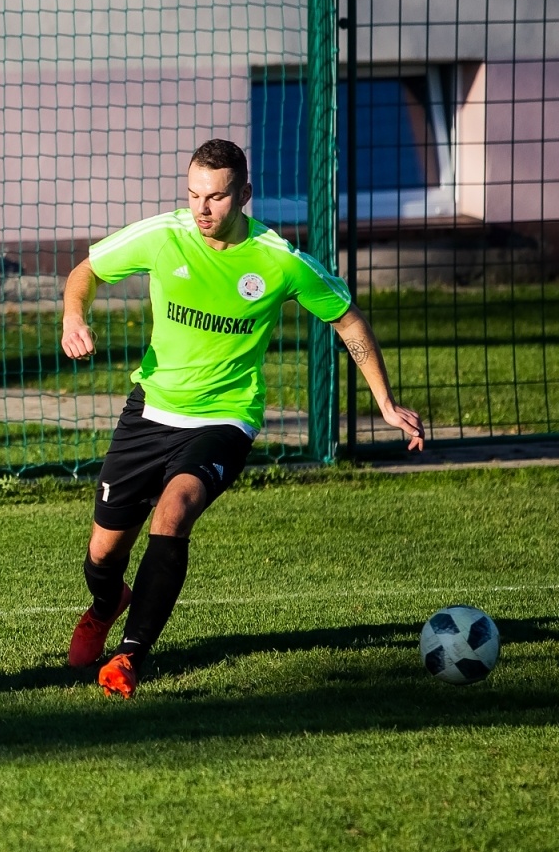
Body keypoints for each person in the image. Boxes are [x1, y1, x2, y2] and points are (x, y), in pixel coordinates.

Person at [60, 138, 425, 698]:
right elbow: (87, 270)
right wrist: (73, 316)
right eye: (194, 194)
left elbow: (348, 321)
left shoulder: (278, 260)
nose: (203, 209)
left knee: (174, 510)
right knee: (102, 555)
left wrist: (383, 402)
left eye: (218, 197)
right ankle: (107, 605)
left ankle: (129, 658)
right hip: (150, 412)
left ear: (245, 195)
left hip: (224, 421)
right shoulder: (164, 235)